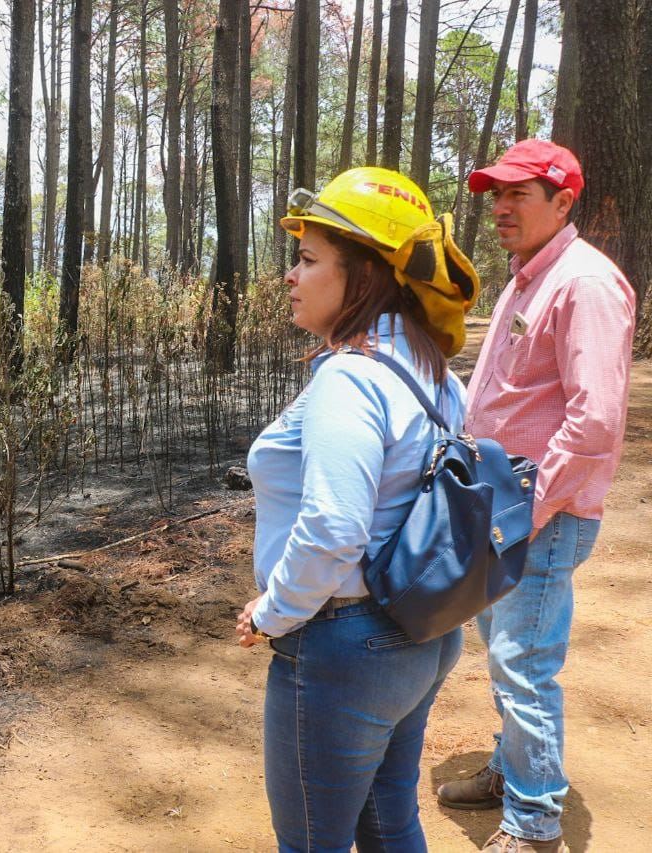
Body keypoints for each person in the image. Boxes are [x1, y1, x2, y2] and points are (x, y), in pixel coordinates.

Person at [237, 166, 479, 852]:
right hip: (423, 634)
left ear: (365, 275)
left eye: (310, 260)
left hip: (344, 645)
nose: (291, 274)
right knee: (389, 820)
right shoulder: (434, 369)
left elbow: (336, 527)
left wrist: (272, 610)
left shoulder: (349, 377)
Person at [436, 139, 635, 853]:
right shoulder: (529, 279)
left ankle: (534, 821)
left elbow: (596, 418)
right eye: (496, 194)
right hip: (506, 509)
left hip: (538, 517)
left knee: (525, 663)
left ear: (563, 200)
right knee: (504, 653)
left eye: (518, 193)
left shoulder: (585, 283)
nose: (500, 207)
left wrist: (531, 507)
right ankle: (511, 766)